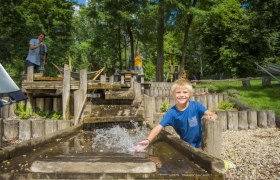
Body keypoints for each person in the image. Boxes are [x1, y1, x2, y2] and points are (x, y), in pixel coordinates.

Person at [138, 78, 218, 149]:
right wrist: (148, 140)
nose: (181, 95)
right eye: (178, 92)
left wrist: (213, 116)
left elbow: (212, 114)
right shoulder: (172, 113)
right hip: (186, 145)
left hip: (202, 142)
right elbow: (158, 127)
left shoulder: (196, 106)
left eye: (185, 92)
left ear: (190, 94)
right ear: (173, 95)